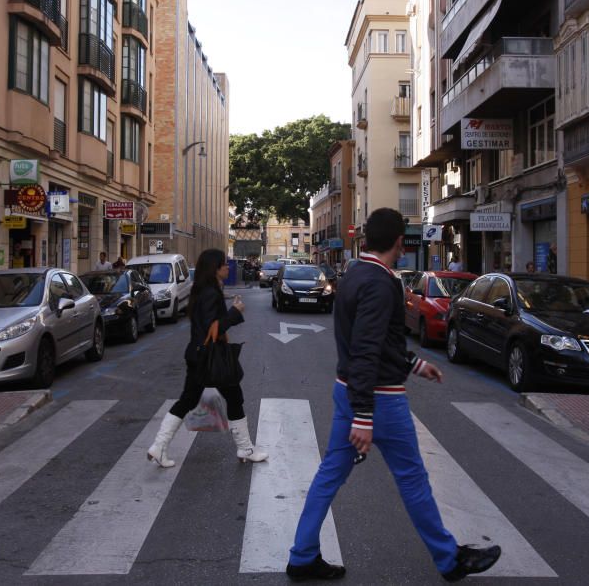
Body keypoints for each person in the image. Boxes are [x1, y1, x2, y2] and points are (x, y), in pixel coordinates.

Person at [286, 208, 501, 582]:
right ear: (401, 242)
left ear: (366, 240)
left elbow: (374, 343)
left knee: (328, 476)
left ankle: (302, 555)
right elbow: (367, 348)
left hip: (347, 390)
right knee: (413, 478)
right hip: (378, 399)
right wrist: (365, 417)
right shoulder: (381, 282)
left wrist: (415, 365)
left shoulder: (353, 274)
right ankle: (450, 560)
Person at [146, 248, 268, 467]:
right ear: (214, 268)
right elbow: (213, 329)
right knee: (234, 398)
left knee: (188, 400)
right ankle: (246, 448)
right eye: (224, 264)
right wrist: (235, 312)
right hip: (212, 358)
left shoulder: (203, 290)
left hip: (198, 356)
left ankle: (159, 446)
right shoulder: (210, 293)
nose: (228, 267)